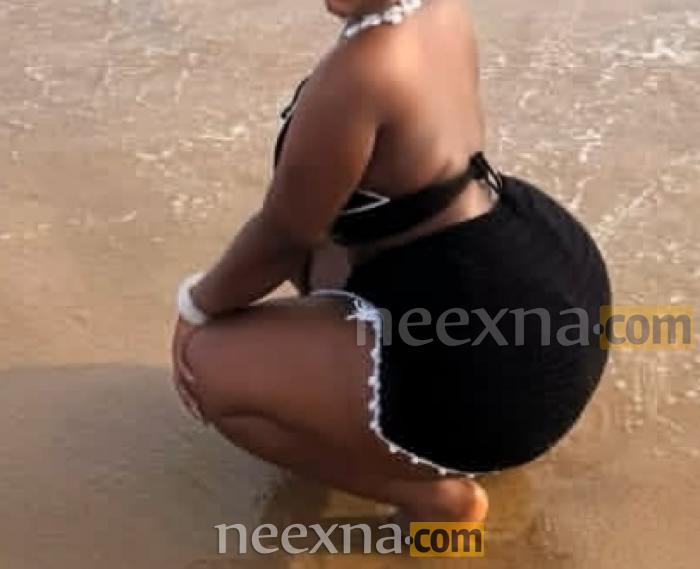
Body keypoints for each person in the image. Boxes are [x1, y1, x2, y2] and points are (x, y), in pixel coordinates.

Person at [170, 0, 610, 523]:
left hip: (500, 363)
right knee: (319, 238)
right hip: (550, 284)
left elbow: (283, 237)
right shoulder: (437, 10)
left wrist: (194, 308)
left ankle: (434, 498)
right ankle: (410, 425)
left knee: (206, 366)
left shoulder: (363, 70)